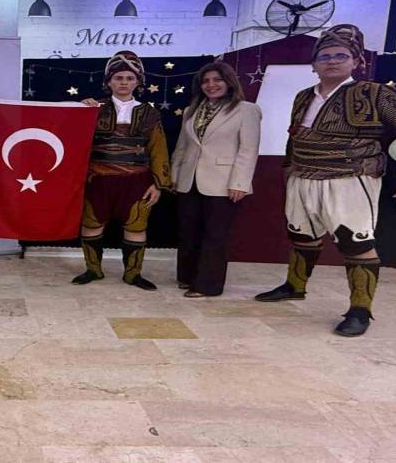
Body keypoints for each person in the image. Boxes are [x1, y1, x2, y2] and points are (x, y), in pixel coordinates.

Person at [254, 24, 396, 337]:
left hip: (351, 178)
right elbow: (295, 136)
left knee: (356, 243)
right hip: (303, 176)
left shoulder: (376, 94)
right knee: (302, 235)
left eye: (341, 56)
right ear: (314, 64)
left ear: (356, 61)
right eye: (324, 56)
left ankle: (360, 310)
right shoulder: (303, 96)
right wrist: (289, 168)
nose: (332, 61)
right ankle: (295, 286)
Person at [76, 50, 172, 290]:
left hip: (137, 181)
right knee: (92, 224)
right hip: (98, 180)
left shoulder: (150, 113)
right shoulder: (92, 108)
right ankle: (93, 270)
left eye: (129, 78)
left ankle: (133, 275)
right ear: (109, 81)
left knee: (136, 226)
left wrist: (158, 184)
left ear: (138, 82)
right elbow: (74, 141)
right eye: (118, 78)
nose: (124, 83)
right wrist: (79, 110)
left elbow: (159, 149)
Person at [171, 62, 261, 297]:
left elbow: (248, 149)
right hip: (188, 179)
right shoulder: (191, 110)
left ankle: (207, 286)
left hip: (224, 182)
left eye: (217, 80)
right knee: (189, 232)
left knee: (215, 234)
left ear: (229, 81)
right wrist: (174, 175)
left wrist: (240, 183)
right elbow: (182, 146)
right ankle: (188, 276)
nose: (211, 85)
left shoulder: (246, 110)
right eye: (206, 81)